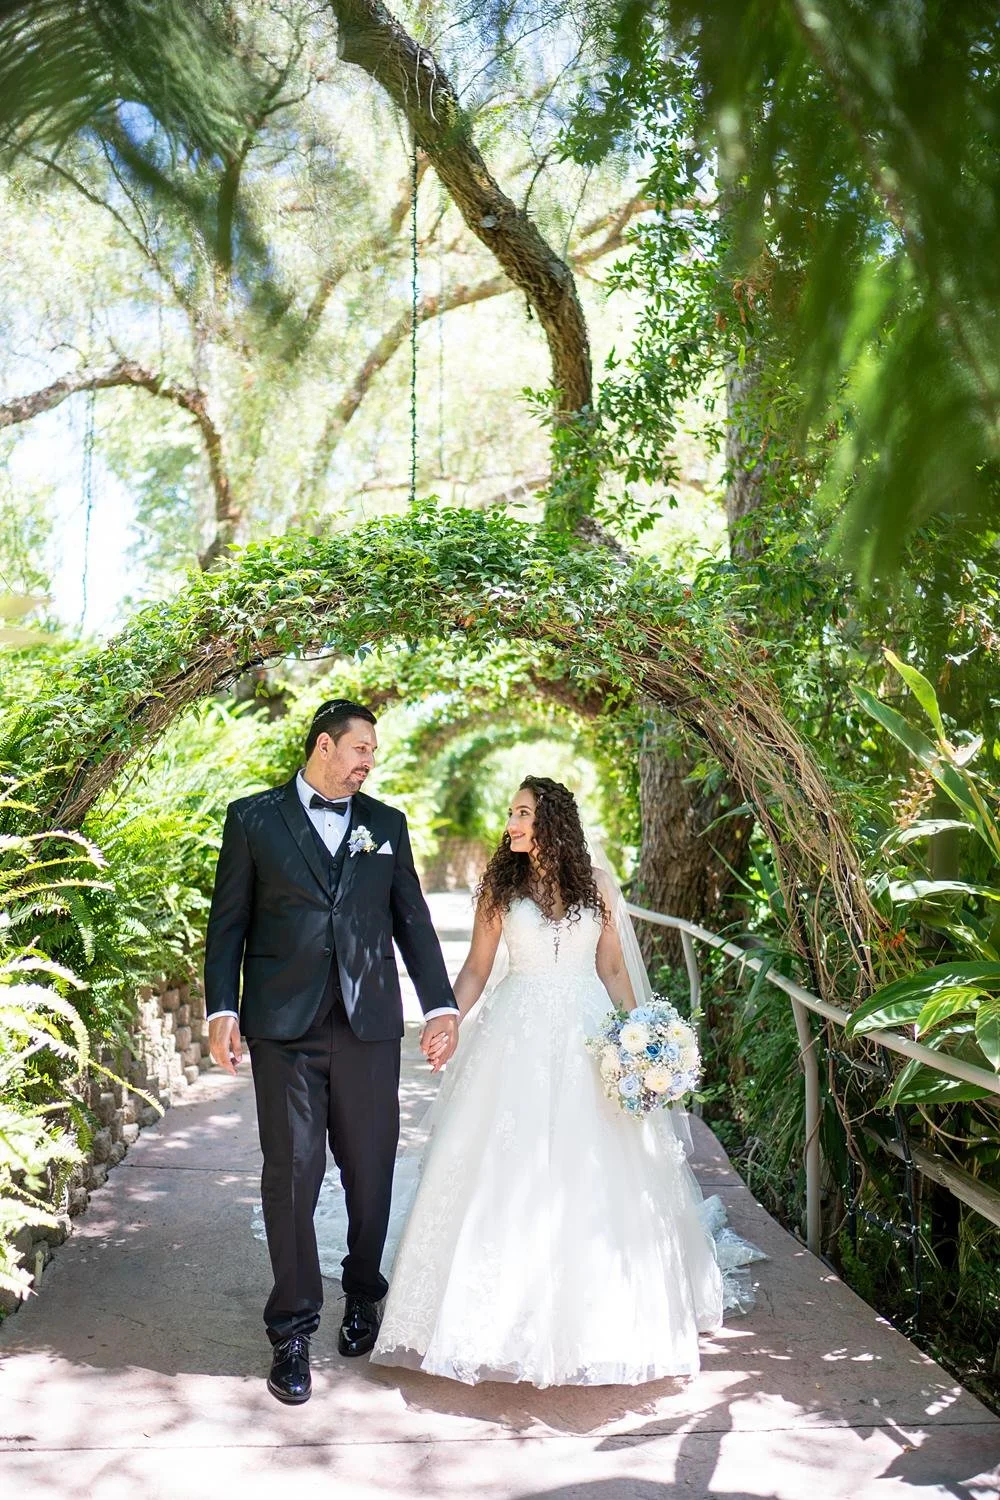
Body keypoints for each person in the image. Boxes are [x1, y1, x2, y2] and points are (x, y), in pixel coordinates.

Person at [368, 775, 727, 1388]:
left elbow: (612, 967)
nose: (511, 823)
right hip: (516, 1037)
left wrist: (646, 1040)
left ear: (551, 821)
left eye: (522, 813)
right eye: (511, 813)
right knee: (502, 1167)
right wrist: (448, 1020)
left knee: (597, 1168)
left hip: (590, 1040)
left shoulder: (596, 887)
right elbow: (477, 969)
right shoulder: (499, 890)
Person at [204, 698, 459, 1404]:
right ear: (325, 745)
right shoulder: (252, 819)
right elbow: (227, 925)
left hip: (368, 1025)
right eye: (361, 749)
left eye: (372, 754)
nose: (369, 762)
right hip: (282, 1028)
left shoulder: (385, 825)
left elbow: (413, 921)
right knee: (292, 1172)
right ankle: (291, 1331)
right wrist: (221, 1006)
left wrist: (440, 1005)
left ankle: (365, 1295)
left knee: (371, 1170)